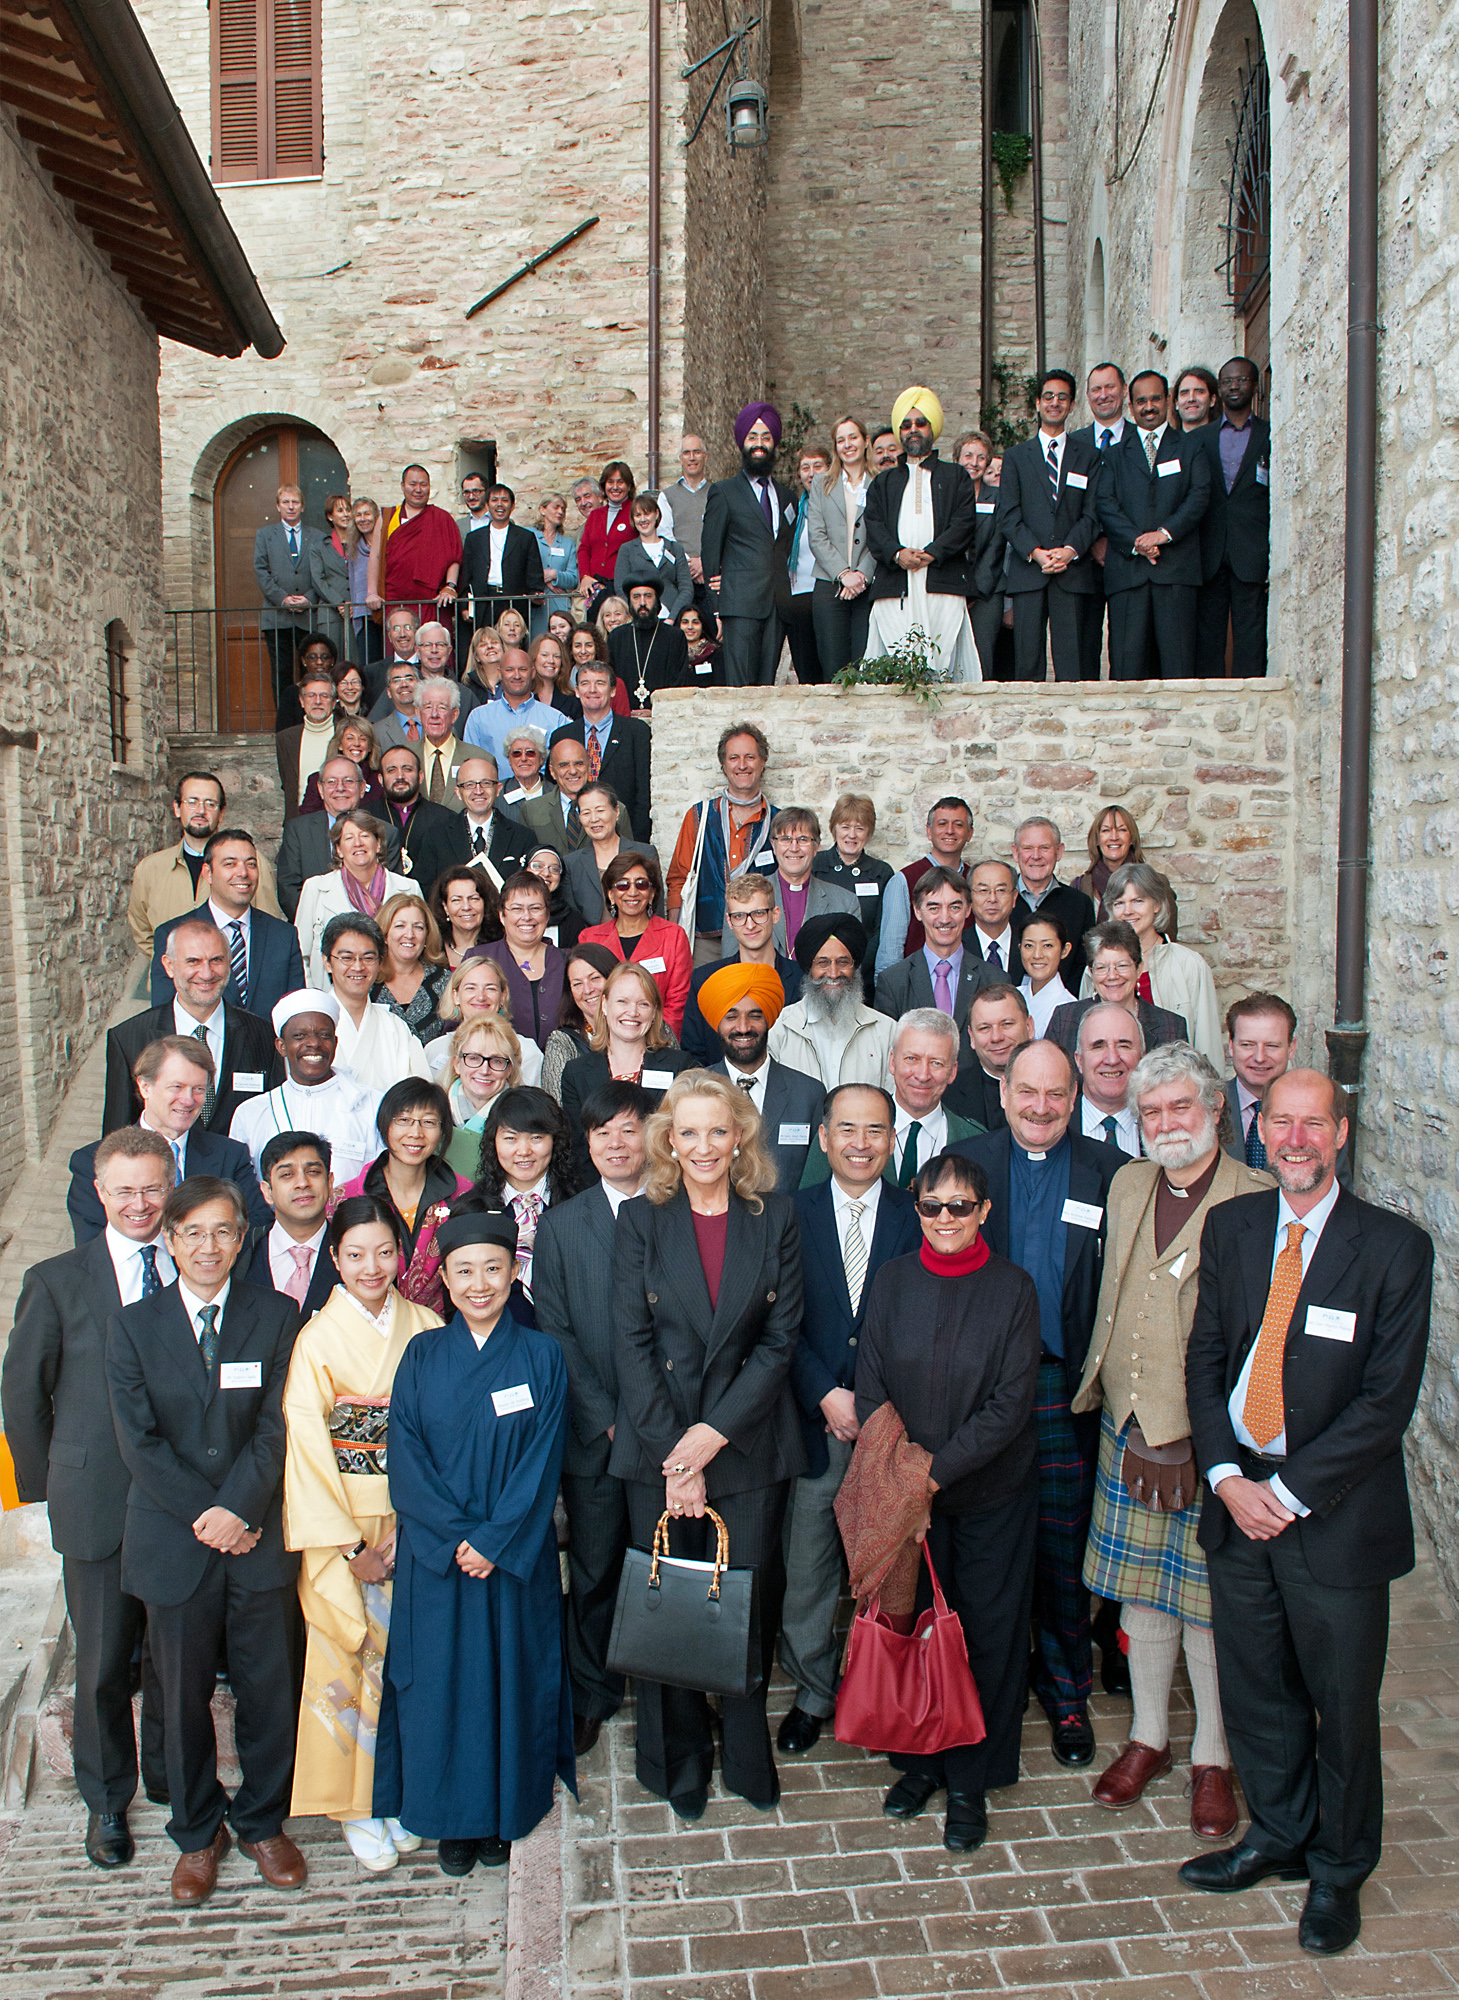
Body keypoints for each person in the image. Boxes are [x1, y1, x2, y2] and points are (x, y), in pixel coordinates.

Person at [1181, 1072, 1433, 1955]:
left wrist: (1282, 1496)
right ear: (1259, 1127)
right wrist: (1221, 1474)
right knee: (1256, 1690)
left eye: (1311, 1123)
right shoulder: (1233, 1226)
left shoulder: (1395, 1248)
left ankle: (1338, 1868)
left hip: (1331, 1512)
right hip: (1235, 1495)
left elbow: (1383, 1404)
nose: (1294, 1138)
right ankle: (1279, 1835)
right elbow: (1206, 1354)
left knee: (1340, 1703)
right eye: (1278, 1121)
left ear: (1339, 1131)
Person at [1073, 1043, 1273, 1841]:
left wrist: (1205, 1440)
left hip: (1207, 1443)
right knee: (1139, 1590)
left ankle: (1213, 1759)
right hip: (1121, 1421)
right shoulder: (1126, 1182)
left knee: (1205, 1603)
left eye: (1179, 1109)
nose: (1165, 1125)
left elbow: (1261, 1342)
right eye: (1150, 1112)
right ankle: (1149, 1736)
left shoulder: (1253, 1198)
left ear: (1215, 1109)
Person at [105, 1176, 305, 1904]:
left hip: (259, 1536)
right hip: (176, 1541)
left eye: (224, 1231)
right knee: (181, 1699)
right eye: (193, 1232)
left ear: (244, 1237)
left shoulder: (276, 1315)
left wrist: (242, 1509)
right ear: (170, 1240)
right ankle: (196, 1833)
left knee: (268, 1689)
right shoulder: (133, 1326)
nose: (209, 1246)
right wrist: (211, 1517)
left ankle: (261, 1822)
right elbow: (140, 1444)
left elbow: (278, 1425)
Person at [610, 1071, 805, 1813]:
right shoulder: (641, 1219)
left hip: (747, 1446)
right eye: (686, 1132)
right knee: (668, 1614)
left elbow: (780, 1340)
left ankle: (746, 1757)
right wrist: (678, 1456)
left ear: (739, 1138)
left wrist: (711, 1437)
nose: (702, 1146)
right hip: (656, 1451)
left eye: (716, 1131)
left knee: (741, 1609)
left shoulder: (774, 1216)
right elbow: (630, 1344)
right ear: (667, 1139)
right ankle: (675, 1763)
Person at [372, 1208, 574, 1872]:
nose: (479, 1283)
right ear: (446, 1280)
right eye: (464, 1271)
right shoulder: (423, 1353)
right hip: (439, 1557)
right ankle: (448, 1818)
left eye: (493, 1268)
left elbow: (541, 1462)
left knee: (512, 1680)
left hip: (510, 1556)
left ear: (514, 1272)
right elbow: (404, 1455)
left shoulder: (542, 1355)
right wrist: (459, 1537)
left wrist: (493, 1540)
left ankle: (504, 1810)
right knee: (440, 1686)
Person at [852, 1150, 1041, 1849]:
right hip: (906, 1497)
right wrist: (905, 1476)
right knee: (912, 1630)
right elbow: (869, 1384)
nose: (944, 1219)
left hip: (987, 1496)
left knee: (983, 1638)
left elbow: (1008, 1403)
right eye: (931, 1206)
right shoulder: (894, 1281)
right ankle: (919, 1760)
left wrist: (931, 1474)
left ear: (983, 1212)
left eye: (960, 1206)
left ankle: (969, 1780)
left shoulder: (1013, 1289)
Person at [4, 1127, 178, 1867]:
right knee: (104, 1663)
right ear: (100, 1194)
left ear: (170, 1187)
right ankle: (107, 1802)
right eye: (125, 1190)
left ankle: (174, 1781)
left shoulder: (195, 1264)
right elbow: (21, 1396)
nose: (140, 1204)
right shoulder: (57, 1280)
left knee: (177, 1658)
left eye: (152, 1188)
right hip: (95, 1501)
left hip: (179, 1503)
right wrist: (52, 1494)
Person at [952, 1040, 1126, 1767]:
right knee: (980, 1548)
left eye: (1056, 1093)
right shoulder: (966, 1169)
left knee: (1060, 1549)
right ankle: (974, 1690)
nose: (1040, 1107)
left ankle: (1064, 1692)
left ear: (1075, 1094)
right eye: (1027, 1091)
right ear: (1002, 1093)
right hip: (978, 1390)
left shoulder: (1111, 1174)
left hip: (1061, 1387)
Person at [281, 1194, 443, 1870]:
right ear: (335, 1259)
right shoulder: (316, 1339)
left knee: (408, 1664)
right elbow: (307, 1444)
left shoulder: (427, 1323)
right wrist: (348, 1546)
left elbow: (446, 1434)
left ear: (400, 1255)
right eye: (355, 1254)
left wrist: (419, 1521)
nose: (371, 1266)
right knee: (347, 1663)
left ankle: (398, 1791)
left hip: (414, 1519)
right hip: (345, 1523)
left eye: (384, 1251)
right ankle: (352, 1806)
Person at [774, 1085, 920, 1754]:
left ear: (892, 1140)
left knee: (891, 1565)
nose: (861, 1142)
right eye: (847, 1129)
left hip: (893, 1425)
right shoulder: (787, 1215)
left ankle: (884, 1687)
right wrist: (823, 1393)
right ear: (824, 1138)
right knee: (807, 1568)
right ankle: (812, 1691)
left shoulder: (916, 1213)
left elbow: (928, 1317)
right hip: (815, 1422)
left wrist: (878, 1402)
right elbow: (775, 1319)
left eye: (875, 1130)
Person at [532, 1081, 650, 1751]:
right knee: (597, 1565)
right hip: (596, 1433)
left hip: (668, 1434)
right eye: (602, 1132)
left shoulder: (674, 1210)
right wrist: (606, 1417)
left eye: (628, 1129)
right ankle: (593, 1690)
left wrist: (658, 1419)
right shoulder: (562, 1224)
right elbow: (555, 1328)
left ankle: (668, 1682)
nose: (615, 1142)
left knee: (662, 1559)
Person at [74, 1036, 269, 1242]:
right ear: (145, 1086)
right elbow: (94, 1246)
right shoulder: (90, 1161)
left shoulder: (231, 1156)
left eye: (198, 1089)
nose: (188, 1100)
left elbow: (256, 1228)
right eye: (176, 1087)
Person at [104, 917, 283, 1137]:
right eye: (193, 962)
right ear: (169, 966)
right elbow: (116, 1137)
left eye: (216, 960)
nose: (206, 974)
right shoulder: (129, 1039)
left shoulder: (263, 1036)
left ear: (230, 963)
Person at [1097, 370, 1212, 680]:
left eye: (1155, 399)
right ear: (1131, 406)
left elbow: (1198, 496)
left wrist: (1162, 535)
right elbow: (1105, 504)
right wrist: (1137, 541)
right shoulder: (1113, 455)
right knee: (1127, 669)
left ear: (1169, 400)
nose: (1149, 406)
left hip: (1176, 572)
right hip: (1128, 574)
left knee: (1178, 669)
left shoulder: (1191, 447)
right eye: (1141, 401)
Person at [864, 387, 981, 681]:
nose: (913, 430)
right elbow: (874, 525)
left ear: (933, 427)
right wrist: (897, 553)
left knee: (943, 665)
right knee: (896, 668)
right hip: (895, 584)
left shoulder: (956, 477)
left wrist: (932, 553)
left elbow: (964, 522)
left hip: (942, 580)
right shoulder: (883, 482)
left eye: (920, 423)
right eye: (906, 425)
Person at [801, 1005, 987, 1188]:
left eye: (936, 1063)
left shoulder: (977, 1141)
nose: (923, 1075)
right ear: (892, 1062)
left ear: (953, 1071)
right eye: (911, 1059)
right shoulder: (839, 1132)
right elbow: (811, 1205)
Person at [996, 369, 1101, 681]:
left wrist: (1069, 551)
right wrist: (1037, 552)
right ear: (1038, 404)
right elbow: (1008, 515)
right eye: (1048, 397)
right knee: (1027, 662)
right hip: (1030, 570)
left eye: (1062, 397)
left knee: (1072, 663)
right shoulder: (1016, 457)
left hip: (1072, 570)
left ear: (1071, 405)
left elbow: (1092, 513)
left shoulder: (1089, 456)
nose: (1055, 403)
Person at [334, 1080, 471, 1314]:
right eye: (404, 1121)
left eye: (428, 1122)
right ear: (384, 1125)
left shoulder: (463, 1195)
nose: (416, 1133)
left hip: (438, 1330)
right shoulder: (347, 1198)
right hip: (364, 1327)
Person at [230, 991, 383, 1188]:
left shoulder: (373, 1105)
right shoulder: (250, 1113)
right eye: (299, 1036)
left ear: (335, 1043)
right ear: (281, 1046)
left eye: (324, 1035)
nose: (314, 1043)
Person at [151, 829, 305, 1025]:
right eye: (230, 864)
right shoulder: (172, 934)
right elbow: (164, 1016)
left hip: (268, 1052)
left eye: (251, 864)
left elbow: (295, 1011)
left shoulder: (284, 935)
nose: (243, 873)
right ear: (208, 873)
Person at [559, 961, 698, 1171]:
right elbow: (578, 1149)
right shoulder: (576, 1073)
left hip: (664, 1186)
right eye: (622, 1001)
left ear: (654, 1013)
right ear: (604, 1005)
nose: (632, 1012)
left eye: (643, 1004)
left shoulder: (680, 1066)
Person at [128, 772, 285, 953]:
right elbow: (143, 932)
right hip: (171, 978)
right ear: (177, 808)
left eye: (210, 804)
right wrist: (173, 966)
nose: (201, 811)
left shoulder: (251, 864)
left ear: (221, 813)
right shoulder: (150, 869)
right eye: (192, 802)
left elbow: (267, 931)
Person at [699, 963, 822, 1190]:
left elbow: (817, 1181)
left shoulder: (809, 1093)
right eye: (731, 1017)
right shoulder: (694, 1091)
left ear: (769, 1021)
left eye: (754, 1016)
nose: (743, 1027)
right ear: (717, 1023)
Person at [700, 403, 797, 686]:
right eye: (753, 437)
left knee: (767, 686)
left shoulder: (788, 496)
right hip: (739, 604)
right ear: (743, 442)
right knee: (741, 687)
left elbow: (786, 549)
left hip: (777, 605)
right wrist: (717, 606)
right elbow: (710, 551)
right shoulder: (724, 492)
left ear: (774, 443)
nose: (759, 444)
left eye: (766, 437)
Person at [666, 722, 779, 958]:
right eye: (734, 758)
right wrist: (676, 939)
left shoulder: (778, 820)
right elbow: (679, 879)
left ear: (762, 762)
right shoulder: (699, 816)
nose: (742, 765)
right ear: (724, 765)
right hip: (707, 940)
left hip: (759, 936)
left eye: (750, 757)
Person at [470, 1086, 578, 1321]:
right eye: (510, 1138)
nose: (524, 1151)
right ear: (493, 1141)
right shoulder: (471, 1210)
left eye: (536, 1137)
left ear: (555, 1141)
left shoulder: (581, 1204)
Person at [1101, 861, 1223, 1066]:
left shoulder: (1189, 965)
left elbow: (1207, 1044)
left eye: (1138, 901)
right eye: (1119, 903)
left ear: (1157, 904)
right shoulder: (1097, 969)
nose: (1128, 910)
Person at [1195, 356, 1270, 679]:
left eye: (1241, 380)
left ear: (1255, 386)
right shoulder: (1200, 439)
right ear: (1218, 391)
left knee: (1250, 628)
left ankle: (1250, 693)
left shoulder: (1270, 435)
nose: (1234, 386)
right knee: (1208, 629)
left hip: (1251, 545)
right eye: (1227, 381)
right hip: (1209, 547)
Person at [769, 914, 895, 1089]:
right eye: (823, 963)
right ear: (809, 969)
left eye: (843, 962)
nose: (834, 973)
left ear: (855, 966)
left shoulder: (886, 1031)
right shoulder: (780, 1028)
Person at [295, 812, 414, 990]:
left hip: (393, 992)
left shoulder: (409, 888)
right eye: (348, 838)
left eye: (365, 835)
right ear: (338, 849)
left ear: (379, 844)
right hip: (332, 997)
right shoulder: (316, 888)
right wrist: (315, 998)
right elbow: (300, 954)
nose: (358, 843)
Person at [578, 850, 691, 1034]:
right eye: (622, 885)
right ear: (610, 894)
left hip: (659, 1042)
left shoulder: (674, 936)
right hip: (603, 1043)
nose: (632, 892)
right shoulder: (589, 939)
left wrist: (656, 1042)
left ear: (652, 893)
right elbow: (587, 998)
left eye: (641, 884)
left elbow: (677, 1004)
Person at [276, 758, 402, 921]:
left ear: (362, 788)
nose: (340, 788)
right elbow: (288, 889)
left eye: (348, 781)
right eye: (331, 782)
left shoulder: (386, 832)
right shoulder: (298, 830)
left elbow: (392, 892)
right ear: (321, 789)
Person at [1046, 918, 1190, 1060]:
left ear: (1138, 968)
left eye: (1122, 965)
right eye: (1102, 967)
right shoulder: (1065, 1019)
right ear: (1091, 972)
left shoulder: (1171, 1026)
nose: (1112, 976)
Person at [873, 866, 1001, 1026]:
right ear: (917, 911)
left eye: (954, 907)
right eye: (934, 908)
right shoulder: (893, 981)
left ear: (968, 909)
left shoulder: (995, 979)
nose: (945, 918)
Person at [1068, 362, 1129, 680]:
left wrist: (1119, 540)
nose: (1103, 395)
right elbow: (1065, 504)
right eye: (1096, 389)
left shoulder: (1139, 439)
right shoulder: (1073, 444)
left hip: (1129, 559)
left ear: (1124, 390)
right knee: (1083, 648)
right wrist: (1090, 541)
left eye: (1110, 387)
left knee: (1127, 649)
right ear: (1088, 396)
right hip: (1084, 561)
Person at [873, 795, 974, 975]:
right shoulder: (904, 881)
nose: (950, 831)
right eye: (942, 824)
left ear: (969, 833)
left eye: (958, 825)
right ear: (929, 831)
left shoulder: (975, 880)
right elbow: (890, 955)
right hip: (916, 989)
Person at [806, 415, 874, 679]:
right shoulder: (822, 484)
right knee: (833, 669)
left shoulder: (880, 482)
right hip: (829, 586)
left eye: (853, 437)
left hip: (866, 587)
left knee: (866, 666)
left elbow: (883, 535)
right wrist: (844, 575)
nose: (847, 445)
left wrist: (861, 576)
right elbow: (817, 536)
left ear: (865, 440)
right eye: (840, 440)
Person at [470, 869, 567, 1052]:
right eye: (516, 908)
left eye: (535, 908)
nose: (527, 916)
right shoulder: (478, 959)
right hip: (496, 1070)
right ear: (502, 915)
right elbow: (456, 1025)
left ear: (547, 915)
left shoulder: (567, 961)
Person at [250, 1131, 339, 1323]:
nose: (302, 1183)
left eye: (313, 1172)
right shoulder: (242, 1255)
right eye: (287, 1174)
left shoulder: (354, 1253)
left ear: (330, 1183)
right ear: (267, 1191)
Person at [752, 807, 858, 957]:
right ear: (774, 845)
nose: (794, 848)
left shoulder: (846, 903)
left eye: (803, 839)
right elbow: (732, 962)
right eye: (785, 839)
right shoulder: (747, 898)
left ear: (816, 847)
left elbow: (850, 966)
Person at [367, 464, 463, 625]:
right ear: (403, 486)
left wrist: (450, 586)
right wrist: (371, 592)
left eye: (423, 484)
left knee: (434, 647)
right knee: (399, 646)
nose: (418, 489)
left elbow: (453, 556)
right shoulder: (388, 517)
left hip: (432, 601)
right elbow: (375, 556)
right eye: (413, 484)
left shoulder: (442, 518)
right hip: (395, 599)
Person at [253, 484, 322, 707]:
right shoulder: (265, 535)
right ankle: (285, 720)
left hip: (308, 616)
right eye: (286, 502)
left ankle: (312, 716)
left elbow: (323, 573)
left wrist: (309, 598)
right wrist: (282, 598)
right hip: (277, 617)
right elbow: (261, 570)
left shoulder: (317, 536)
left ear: (302, 506)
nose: (291, 507)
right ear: (277, 506)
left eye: (295, 502)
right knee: (281, 671)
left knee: (311, 669)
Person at [813, 794, 892, 988]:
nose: (852, 835)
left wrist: (855, 964)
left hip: (863, 972)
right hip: (819, 971)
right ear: (834, 828)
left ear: (869, 832)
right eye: (845, 826)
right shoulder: (815, 865)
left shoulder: (881, 873)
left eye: (860, 828)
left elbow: (882, 930)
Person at [1009, 816, 1098, 987]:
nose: (1036, 856)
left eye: (1044, 848)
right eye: (1028, 848)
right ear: (1015, 852)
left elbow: (1084, 966)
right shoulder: (1001, 902)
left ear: (1059, 851)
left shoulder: (1079, 904)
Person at [462, 645, 570, 781]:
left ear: (532, 673)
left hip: (542, 798)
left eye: (522, 669)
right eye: (509, 670)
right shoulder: (479, 717)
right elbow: (471, 765)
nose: (517, 675)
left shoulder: (555, 719)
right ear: (500, 673)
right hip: (495, 799)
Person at [952, 428, 1008, 680]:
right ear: (957, 458)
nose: (973, 463)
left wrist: (974, 590)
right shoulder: (944, 497)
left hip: (988, 592)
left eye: (981, 457)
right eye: (968, 455)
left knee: (982, 658)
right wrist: (959, 587)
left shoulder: (998, 498)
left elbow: (997, 547)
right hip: (951, 589)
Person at [574, 660, 651, 840]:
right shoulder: (563, 735)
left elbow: (644, 792)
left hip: (624, 834)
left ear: (613, 690)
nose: (592, 690)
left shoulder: (636, 732)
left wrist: (635, 840)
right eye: (585, 684)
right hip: (576, 837)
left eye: (600, 683)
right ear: (576, 691)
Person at [1221, 992, 1298, 1171]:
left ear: (1291, 1048)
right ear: (1231, 1046)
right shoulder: (1206, 1108)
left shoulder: (1317, 1112)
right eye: (1247, 1045)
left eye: (1272, 1046)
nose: (1260, 1057)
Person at [457, 482, 546, 633]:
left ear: (512, 506)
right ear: (487, 505)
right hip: (483, 603)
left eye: (504, 500)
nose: (500, 505)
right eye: (494, 500)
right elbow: (466, 575)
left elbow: (534, 574)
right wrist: (464, 605)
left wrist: (535, 595)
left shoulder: (525, 537)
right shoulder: (474, 538)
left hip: (514, 603)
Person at [562, 783, 656, 925]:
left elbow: (656, 907)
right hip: (591, 944)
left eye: (600, 810)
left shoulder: (645, 853)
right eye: (586, 813)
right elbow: (572, 920)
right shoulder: (571, 863)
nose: (594, 819)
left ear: (617, 812)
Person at [943, 982, 1033, 1131]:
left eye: (1006, 1024)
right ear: (971, 1037)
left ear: (1029, 1026)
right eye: (985, 1028)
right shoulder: (948, 1094)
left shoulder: (1058, 1085)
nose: (996, 1037)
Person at [441, 1016, 525, 1173]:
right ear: (457, 1064)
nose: (485, 1070)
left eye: (497, 1061)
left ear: (510, 1069)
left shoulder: (525, 1118)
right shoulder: (435, 1115)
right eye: (473, 1058)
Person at [377, 744, 462, 893]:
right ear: (381, 779)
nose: (400, 776)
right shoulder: (366, 817)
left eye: (407, 769)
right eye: (391, 770)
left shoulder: (446, 819)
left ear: (420, 776)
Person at [780, 441, 831, 684]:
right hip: (798, 593)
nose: (811, 473)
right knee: (805, 667)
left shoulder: (834, 503)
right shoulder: (797, 507)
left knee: (826, 661)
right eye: (805, 467)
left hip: (825, 591)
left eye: (817, 466)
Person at [371, 892, 451, 1045]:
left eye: (418, 927)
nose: (409, 934)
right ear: (385, 933)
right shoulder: (367, 979)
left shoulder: (446, 982)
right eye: (400, 926)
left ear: (427, 935)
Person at [541, 943, 618, 1101]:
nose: (587, 990)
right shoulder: (562, 1042)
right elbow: (557, 1108)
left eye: (595, 978)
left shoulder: (647, 1027)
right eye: (577, 984)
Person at [446, 756, 536, 881]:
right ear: (458, 792)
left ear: (498, 789)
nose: (478, 791)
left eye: (486, 783)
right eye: (469, 784)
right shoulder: (437, 837)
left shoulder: (523, 837)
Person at [384, 677, 470, 806]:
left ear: (454, 715)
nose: (434, 714)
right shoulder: (404, 756)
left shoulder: (477, 758)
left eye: (442, 707)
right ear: (418, 714)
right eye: (428, 707)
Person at [608, 579, 692, 708]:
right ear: (629, 602)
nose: (642, 603)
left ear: (657, 601)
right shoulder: (617, 637)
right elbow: (612, 682)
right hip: (625, 717)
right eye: (636, 597)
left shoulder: (674, 637)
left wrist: (657, 710)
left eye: (648, 596)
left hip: (665, 715)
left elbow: (679, 683)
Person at [1074, 1002, 1145, 1155]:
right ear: (1079, 1061)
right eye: (1098, 1046)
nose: (1112, 1059)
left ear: (1142, 1057)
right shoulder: (1055, 1124)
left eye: (1124, 1045)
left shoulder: (1161, 1124)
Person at [277, 664, 347, 818]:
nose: (317, 701)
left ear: (334, 701)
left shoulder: (346, 734)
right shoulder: (286, 739)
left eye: (324, 696)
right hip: (299, 821)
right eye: (311, 695)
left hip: (341, 819)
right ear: (302, 701)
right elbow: (288, 783)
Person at [614, 492, 694, 619]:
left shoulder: (675, 548)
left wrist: (673, 618)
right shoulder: (627, 550)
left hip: (673, 619)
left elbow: (686, 588)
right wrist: (637, 613)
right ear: (633, 520)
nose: (643, 519)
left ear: (656, 514)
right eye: (638, 515)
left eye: (647, 513)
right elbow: (620, 588)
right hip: (640, 619)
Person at [576, 460, 639, 617]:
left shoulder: (635, 511)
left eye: (620, 482)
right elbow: (584, 548)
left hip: (623, 588)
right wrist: (584, 576)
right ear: (604, 486)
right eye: (610, 482)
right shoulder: (595, 515)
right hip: (596, 589)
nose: (615, 487)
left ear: (629, 486)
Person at [652, 435, 711, 600]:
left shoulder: (717, 494)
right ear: (680, 458)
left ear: (705, 456)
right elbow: (665, 535)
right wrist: (689, 566)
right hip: (679, 579)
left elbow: (722, 534)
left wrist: (703, 563)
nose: (692, 458)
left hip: (711, 578)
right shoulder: (667, 496)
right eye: (686, 453)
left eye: (696, 452)